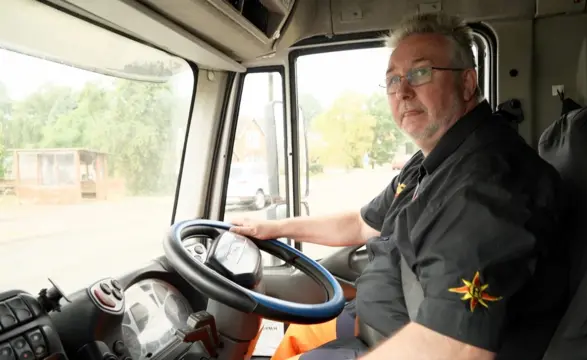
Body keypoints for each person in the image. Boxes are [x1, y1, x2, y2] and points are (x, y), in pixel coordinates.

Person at [231, 12, 569, 360]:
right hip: (380, 324)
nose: (403, 91)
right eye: (392, 80)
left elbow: (455, 348)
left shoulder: (487, 184)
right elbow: (361, 223)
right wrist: (271, 227)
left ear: (468, 84)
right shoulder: (433, 161)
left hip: (409, 341)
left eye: (420, 73)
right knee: (297, 338)